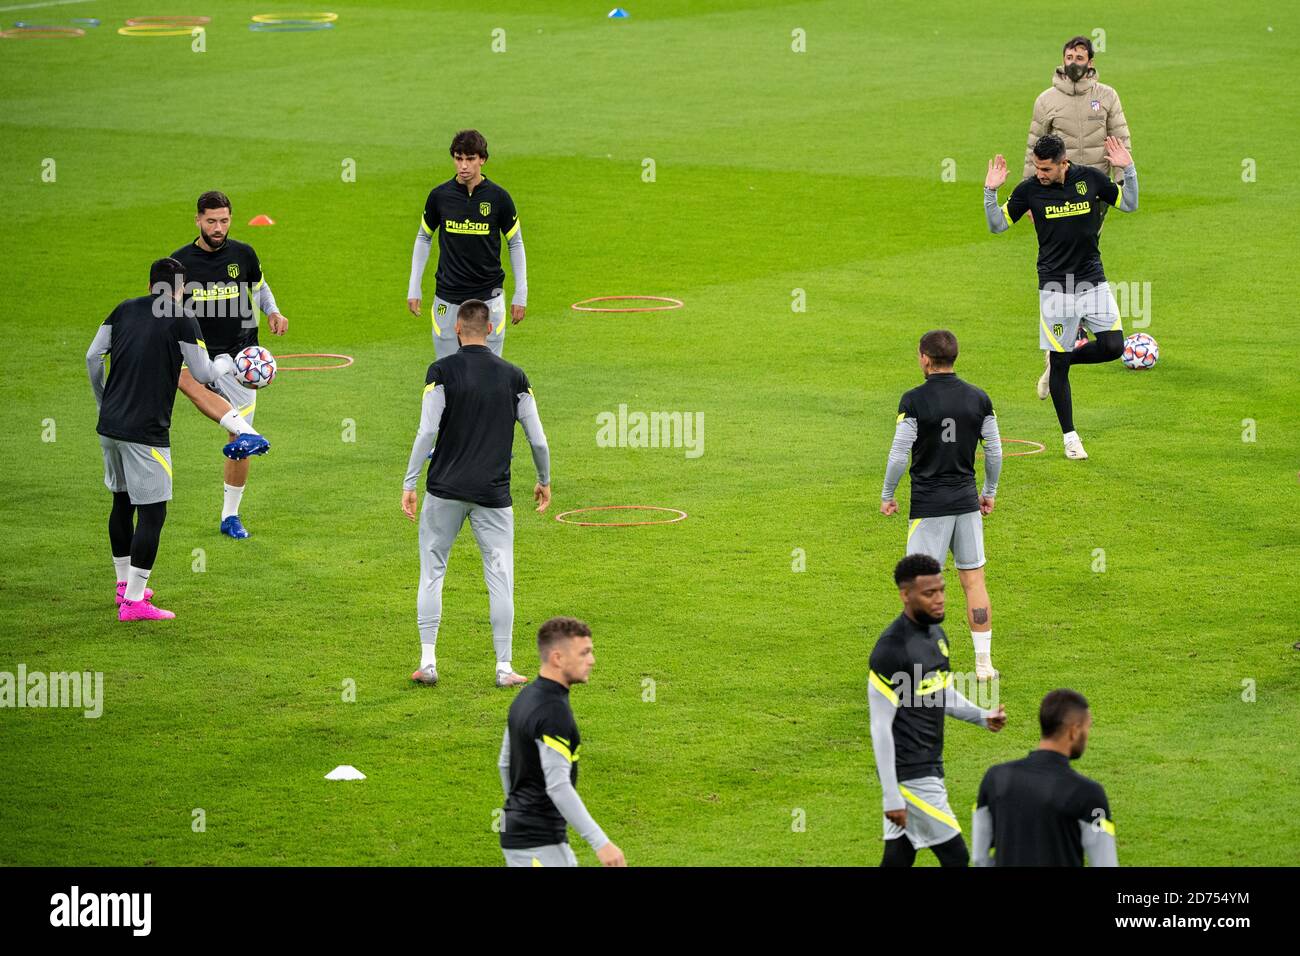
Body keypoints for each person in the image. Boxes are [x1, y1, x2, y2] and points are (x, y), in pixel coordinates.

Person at [401, 299, 551, 687]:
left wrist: (410, 481)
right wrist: (543, 479)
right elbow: (538, 440)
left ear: (456, 329)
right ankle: (504, 667)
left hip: (444, 490)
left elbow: (427, 432)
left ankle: (428, 661)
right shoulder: (515, 377)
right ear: (491, 330)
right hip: (493, 495)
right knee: (500, 577)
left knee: (432, 572)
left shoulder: (441, 371)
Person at [87, 258, 235, 620]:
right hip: (146, 431)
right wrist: (226, 363)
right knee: (153, 511)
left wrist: (103, 400)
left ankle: (125, 585)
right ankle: (136, 602)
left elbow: (93, 356)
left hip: (110, 426)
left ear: (151, 283)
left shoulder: (123, 309)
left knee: (121, 502)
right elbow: (202, 372)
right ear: (181, 287)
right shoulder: (182, 317)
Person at [984, 133, 1138, 459]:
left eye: (1046, 169)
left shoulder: (1090, 180)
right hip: (1055, 289)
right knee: (1061, 361)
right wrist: (990, 191)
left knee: (1113, 347)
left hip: (1092, 280)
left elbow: (1129, 203)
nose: (1040, 173)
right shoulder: (1029, 191)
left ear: (1063, 163)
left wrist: (1129, 169)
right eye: (1037, 167)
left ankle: (1057, 363)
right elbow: (998, 225)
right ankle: (1070, 437)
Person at [868, 554, 1006, 867]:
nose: (940, 599)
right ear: (906, 595)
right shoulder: (891, 650)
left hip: (928, 763)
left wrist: (982, 716)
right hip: (910, 774)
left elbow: (939, 693)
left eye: (942, 590)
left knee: (899, 857)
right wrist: (891, 794)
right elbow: (880, 726)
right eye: (929, 594)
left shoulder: (935, 636)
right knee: (956, 856)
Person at [881, 330, 1002, 680]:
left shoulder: (914, 401)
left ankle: (922, 664)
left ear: (925, 358)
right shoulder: (979, 399)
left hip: (928, 507)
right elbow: (994, 452)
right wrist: (989, 490)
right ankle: (983, 664)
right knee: (974, 582)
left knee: (921, 586)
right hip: (966, 503)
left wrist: (888, 494)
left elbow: (898, 454)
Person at [171, 190, 285, 539]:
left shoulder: (243, 254)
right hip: (198, 357)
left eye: (223, 220)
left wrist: (273, 312)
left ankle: (230, 516)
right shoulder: (179, 263)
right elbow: (166, 313)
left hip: (241, 357)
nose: (218, 228)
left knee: (239, 439)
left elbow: (261, 289)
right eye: (211, 221)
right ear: (197, 220)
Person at [1023, 34, 1133, 392]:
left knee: (1083, 262)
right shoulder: (1046, 100)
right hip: (1056, 194)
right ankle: (1063, 347)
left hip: (1095, 192)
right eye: (1069, 54)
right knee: (1072, 265)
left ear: (1090, 60)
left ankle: (1062, 351)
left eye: (1080, 55)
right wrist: (1029, 195)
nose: (1074, 59)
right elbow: (1033, 147)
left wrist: (1121, 178)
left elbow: (1120, 140)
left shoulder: (1107, 96)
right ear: (1062, 58)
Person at [497, 616, 626, 867]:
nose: (592, 660)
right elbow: (558, 786)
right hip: (540, 841)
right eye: (584, 653)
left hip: (517, 834)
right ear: (558, 658)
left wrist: (516, 809)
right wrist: (602, 843)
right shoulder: (554, 712)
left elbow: (504, 763)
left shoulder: (524, 698)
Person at [407, 129, 527, 359]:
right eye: (458, 158)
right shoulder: (439, 196)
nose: (463, 166)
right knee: (447, 368)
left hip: (489, 295)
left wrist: (521, 294)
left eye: (470, 159)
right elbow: (424, 237)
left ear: (482, 159)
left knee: (490, 370)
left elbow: (515, 243)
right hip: (448, 294)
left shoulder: (499, 198)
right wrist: (414, 286)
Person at [972, 689, 1117, 866]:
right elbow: (1105, 863)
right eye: (1087, 729)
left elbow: (980, 858)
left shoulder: (995, 778)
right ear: (1074, 731)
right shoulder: (1088, 793)